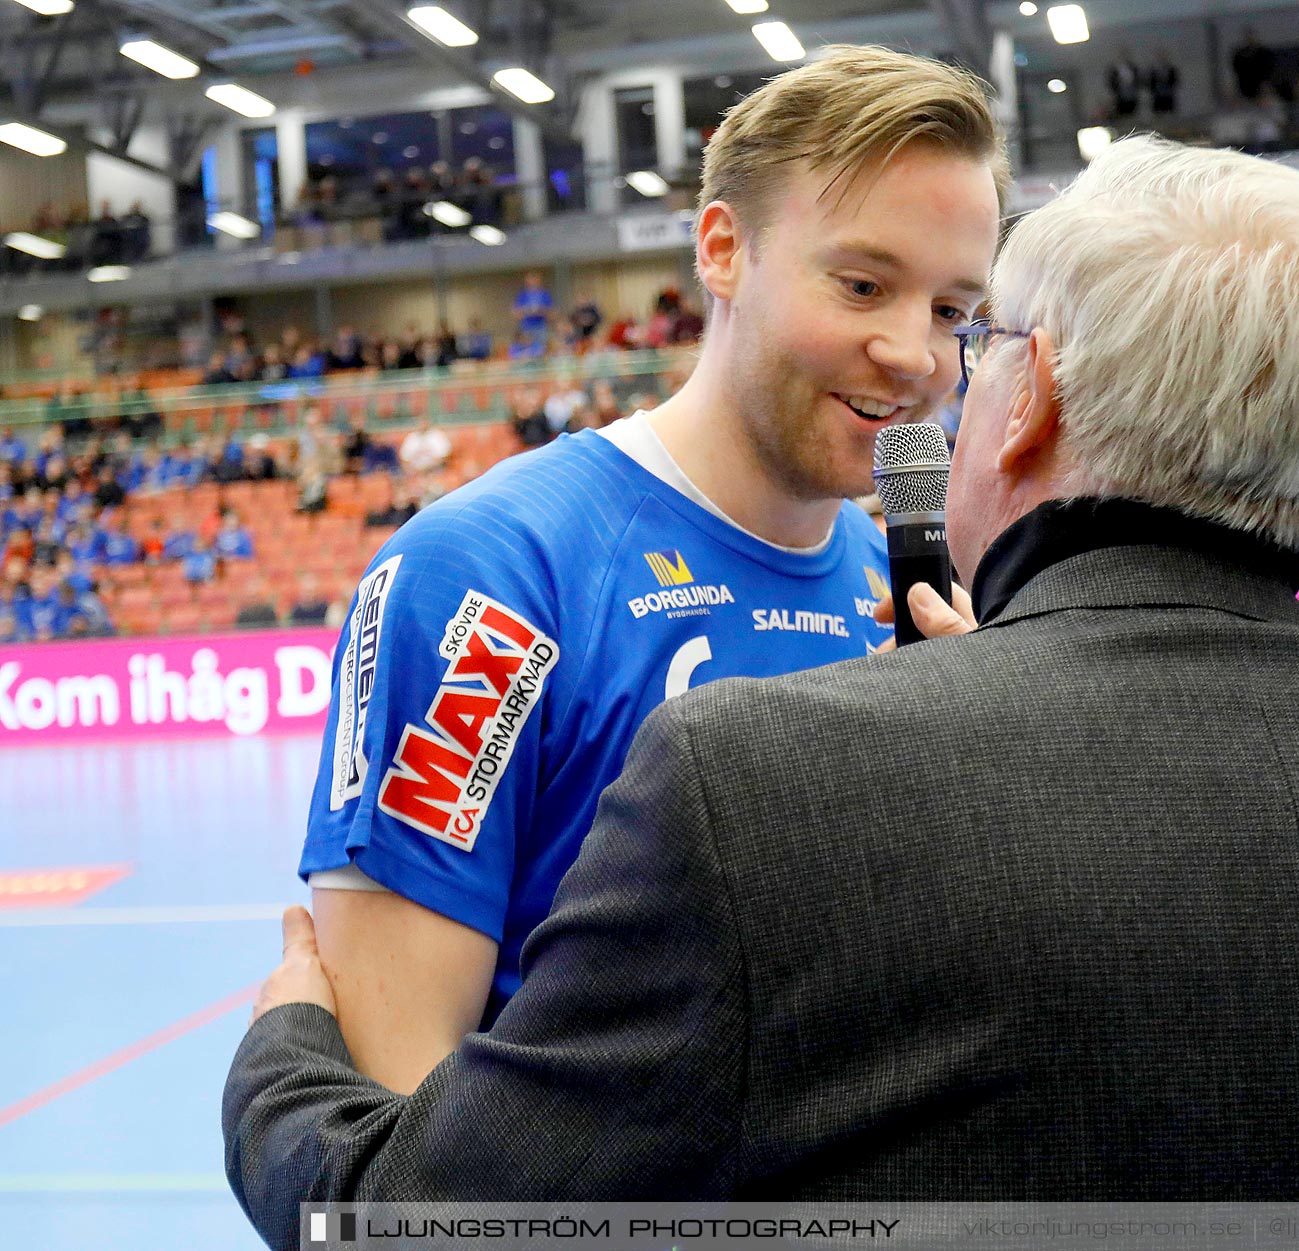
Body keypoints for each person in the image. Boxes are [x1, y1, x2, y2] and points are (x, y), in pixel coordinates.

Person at [228, 138, 1299, 1250]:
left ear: (1032, 397)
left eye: (969, 324)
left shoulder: (760, 776)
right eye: (869, 287)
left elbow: (415, 1221)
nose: (933, 367)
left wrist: (284, 1048)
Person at [284, 46, 1007, 1097]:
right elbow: (395, 1118)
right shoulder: (488, 576)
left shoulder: (905, 599)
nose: (914, 353)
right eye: (862, 284)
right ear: (723, 250)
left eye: (952, 312)